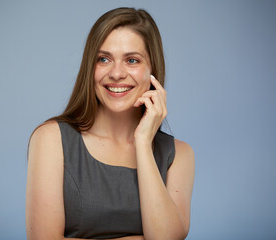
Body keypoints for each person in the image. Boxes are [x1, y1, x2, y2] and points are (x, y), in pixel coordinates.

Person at [26, 7, 195, 240]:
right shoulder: (51, 139)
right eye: (104, 59)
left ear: (152, 70)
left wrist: (143, 142)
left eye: (132, 60)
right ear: (90, 67)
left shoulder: (179, 155)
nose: (116, 73)